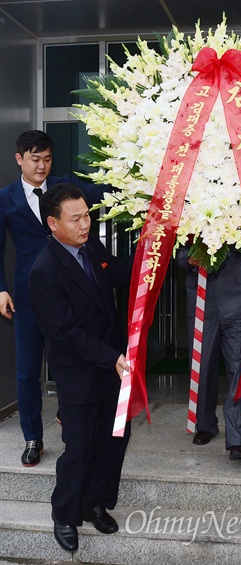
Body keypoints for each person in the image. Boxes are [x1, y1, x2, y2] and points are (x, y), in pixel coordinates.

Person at [29, 183, 133, 553]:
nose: (85, 224)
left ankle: (96, 503)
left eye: (87, 215)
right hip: (81, 374)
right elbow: (66, 333)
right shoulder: (45, 270)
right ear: (53, 224)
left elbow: (122, 275)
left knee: (115, 439)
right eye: (76, 219)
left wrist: (155, 252)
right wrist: (111, 358)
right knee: (80, 447)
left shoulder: (91, 248)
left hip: (113, 367)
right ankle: (65, 514)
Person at [0, 130, 110, 467]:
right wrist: (1, 288)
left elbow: (104, 193)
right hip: (27, 297)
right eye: (35, 159)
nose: (42, 166)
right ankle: (33, 437)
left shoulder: (64, 186)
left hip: (68, 294)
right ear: (20, 159)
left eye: (47, 159)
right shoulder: (6, 198)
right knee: (28, 370)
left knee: (72, 360)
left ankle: (70, 417)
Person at [176, 247, 241, 460]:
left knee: (238, 366)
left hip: (238, 296)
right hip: (200, 294)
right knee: (201, 364)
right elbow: (175, 245)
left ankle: (239, 437)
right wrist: (187, 260)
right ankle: (205, 424)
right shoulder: (189, 212)